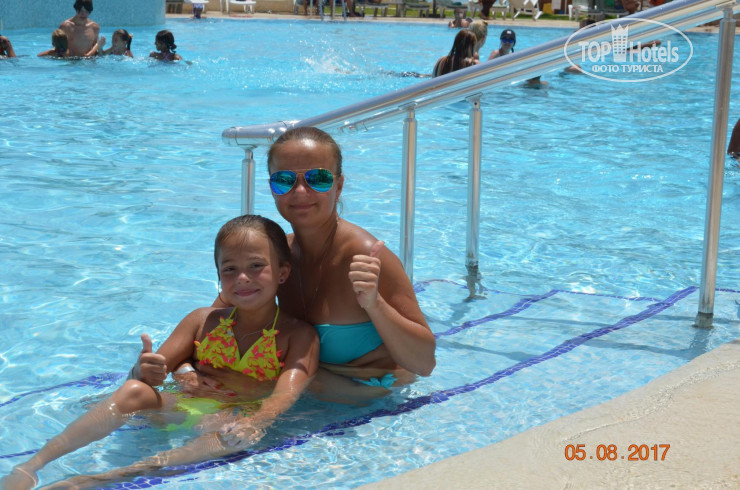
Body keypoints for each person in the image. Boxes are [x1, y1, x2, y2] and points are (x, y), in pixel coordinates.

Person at [0, 215, 320, 489]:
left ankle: (99, 479)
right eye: (230, 269)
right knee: (134, 390)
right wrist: (147, 370)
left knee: (236, 437)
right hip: (181, 406)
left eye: (256, 266)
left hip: (227, 421)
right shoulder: (202, 320)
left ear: (282, 272)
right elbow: (154, 373)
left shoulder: (299, 336)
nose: (243, 278)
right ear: (218, 276)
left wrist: (256, 422)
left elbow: (283, 398)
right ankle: (30, 466)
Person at [206, 127, 436, 405]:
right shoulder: (273, 258)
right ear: (272, 188)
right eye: (284, 180)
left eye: (318, 179)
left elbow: (425, 364)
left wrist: (375, 304)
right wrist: (182, 368)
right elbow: (210, 323)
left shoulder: (365, 256)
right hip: (299, 394)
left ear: (338, 186)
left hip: (372, 403)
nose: (301, 191)